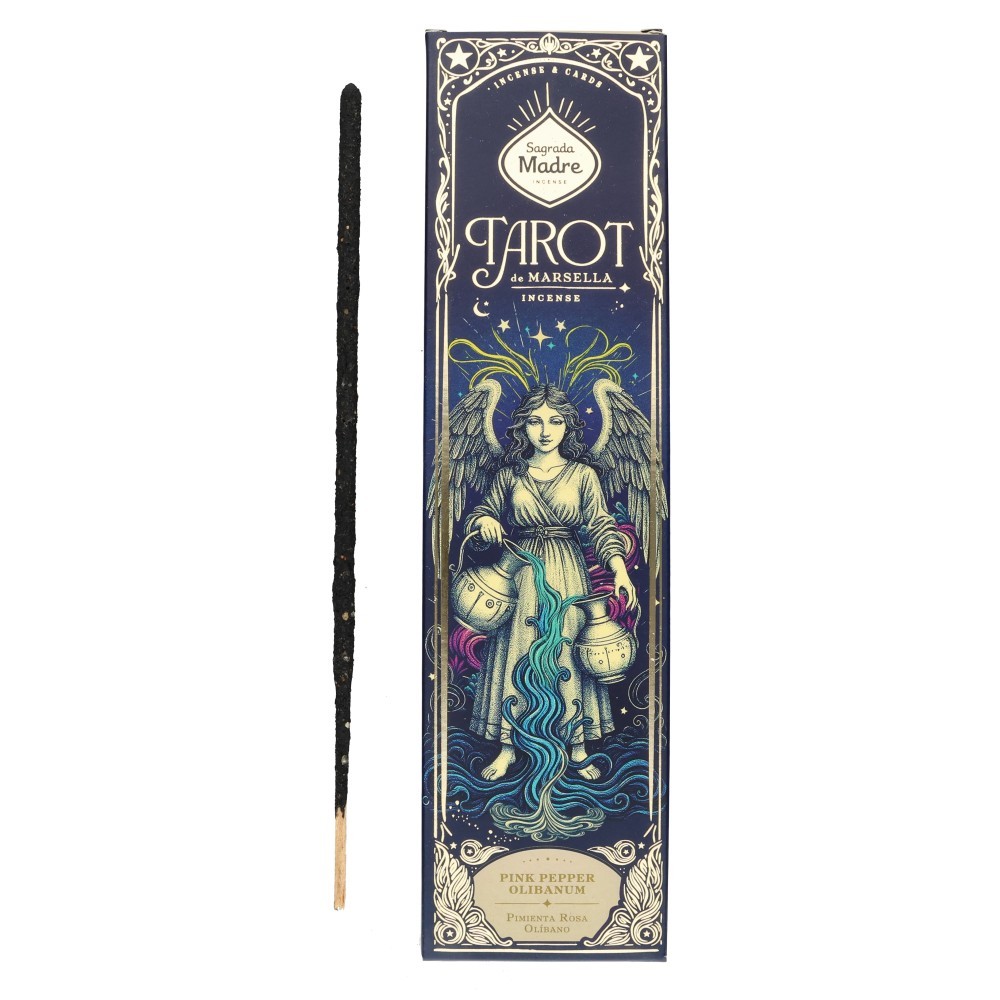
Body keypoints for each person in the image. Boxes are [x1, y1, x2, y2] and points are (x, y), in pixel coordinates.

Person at [464, 384, 638, 781]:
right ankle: (507, 746)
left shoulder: (583, 475)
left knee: (567, 649)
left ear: (568, 426)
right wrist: (485, 520)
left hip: (566, 571)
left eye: (555, 421)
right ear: (522, 427)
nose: (545, 431)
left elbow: (600, 524)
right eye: (535, 421)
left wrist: (619, 569)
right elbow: (483, 512)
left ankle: (576, 747)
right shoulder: (508, 475)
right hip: (520, 571)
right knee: (516, 649)